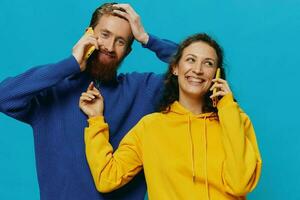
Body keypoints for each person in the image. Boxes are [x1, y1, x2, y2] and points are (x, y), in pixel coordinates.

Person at [0, 3, 178, 200]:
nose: (110, 47)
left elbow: (199, 73)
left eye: (120, 41)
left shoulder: (141, 90)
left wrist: (147, 39)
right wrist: (71, 64)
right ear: (89, 34)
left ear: (128, 51)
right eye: (105, 35)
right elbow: (4, 96)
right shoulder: (54, 91)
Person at [81, 33, 262, 200]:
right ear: (175, 68)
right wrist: (96, 120)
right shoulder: (150, 127)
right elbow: (107, 178)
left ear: (217, 74)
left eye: (208, 63)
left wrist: (227, 107)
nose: (198, 69)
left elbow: (239, 186)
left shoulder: (236, 120)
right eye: (190, 60)